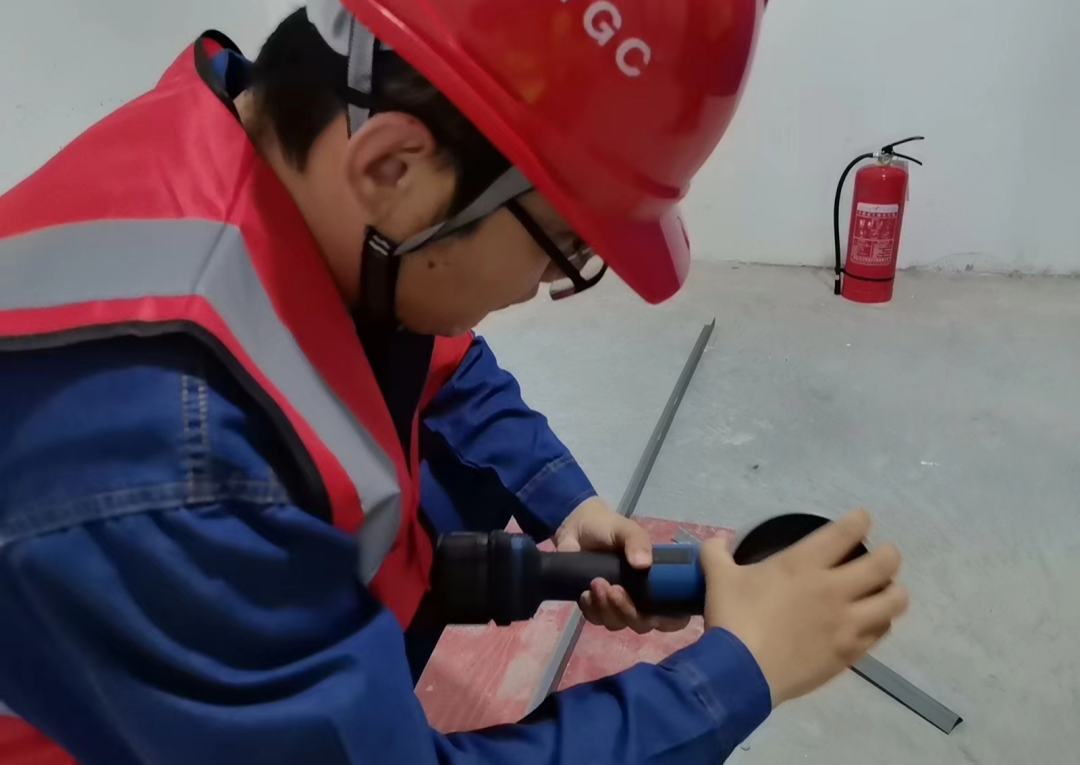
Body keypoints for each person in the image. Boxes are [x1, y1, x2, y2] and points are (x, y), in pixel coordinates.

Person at [0, 1, 909, 763]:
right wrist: (737, 673)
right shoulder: (177, 464)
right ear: (392, 167)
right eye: (562, 246)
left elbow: (446, 368)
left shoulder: (252, 154)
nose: (547, 284)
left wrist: (570, 507)